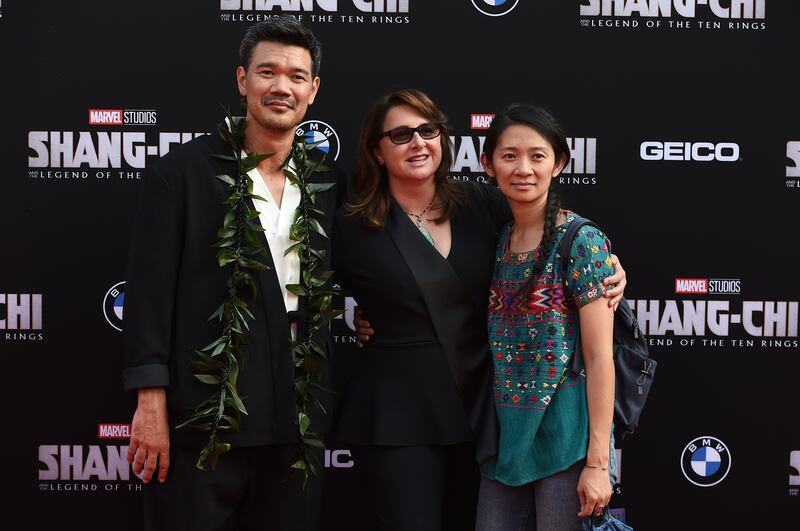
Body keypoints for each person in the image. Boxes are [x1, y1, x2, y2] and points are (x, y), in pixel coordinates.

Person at [332, 89, 626, 531]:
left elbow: (554, 232)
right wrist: (363, 316)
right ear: (377, 149)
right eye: (400, 134)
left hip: (479, 417)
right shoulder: (354, 223)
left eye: (428, 130)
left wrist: (611, 269)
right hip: (397, 415)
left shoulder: (480, 206)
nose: (417, 142)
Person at [122, 17, 344, 531]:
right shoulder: (180, 174)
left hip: (297, 417)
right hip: (204, 415)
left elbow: (366, 267)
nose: (281, 87)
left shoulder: (329, 182)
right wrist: (149, 402)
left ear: (312, 91)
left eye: (296, 76)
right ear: (243, 80)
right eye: (267, 72)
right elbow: (150, 295)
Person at [475, 104, 616, 531]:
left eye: (538, 156)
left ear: (559, 164)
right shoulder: (495, 240)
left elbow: (598, 359)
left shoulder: (582, 240)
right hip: (503, 443)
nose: (523, 168)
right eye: (509, 155)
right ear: (487, 164)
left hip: (566, 444)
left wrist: (597, 464)